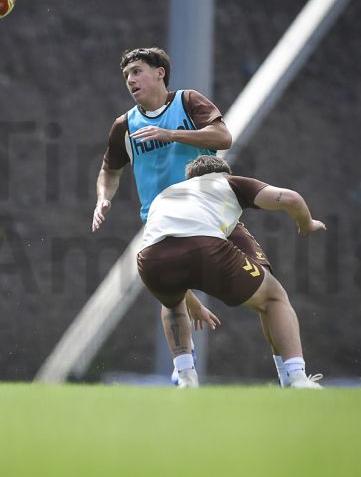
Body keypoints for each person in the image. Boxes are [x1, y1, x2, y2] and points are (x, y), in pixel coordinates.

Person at [91, 47, 276, 383]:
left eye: (136, 71)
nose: (130, 80)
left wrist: (171, 134)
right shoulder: (124, 125)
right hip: (161, 221)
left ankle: (293, 375)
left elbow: (223, 137)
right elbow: (109, 170)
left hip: (211, 212)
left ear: (160, 72)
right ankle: (186, 376)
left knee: (270, 290)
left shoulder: (188, 102)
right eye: (126, 76)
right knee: (172, 292)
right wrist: (103, 199)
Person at [137, 155, 326, 389]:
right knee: (273, 297)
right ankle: (297, 378)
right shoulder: (228, 182)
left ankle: (186, 376)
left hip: (150, 258)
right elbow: (290, 198)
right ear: (225, 173)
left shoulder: (167, 194)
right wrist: (306, 223)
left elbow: (173, 251)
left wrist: (194, 306)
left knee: (171, 301)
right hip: (203, 246)